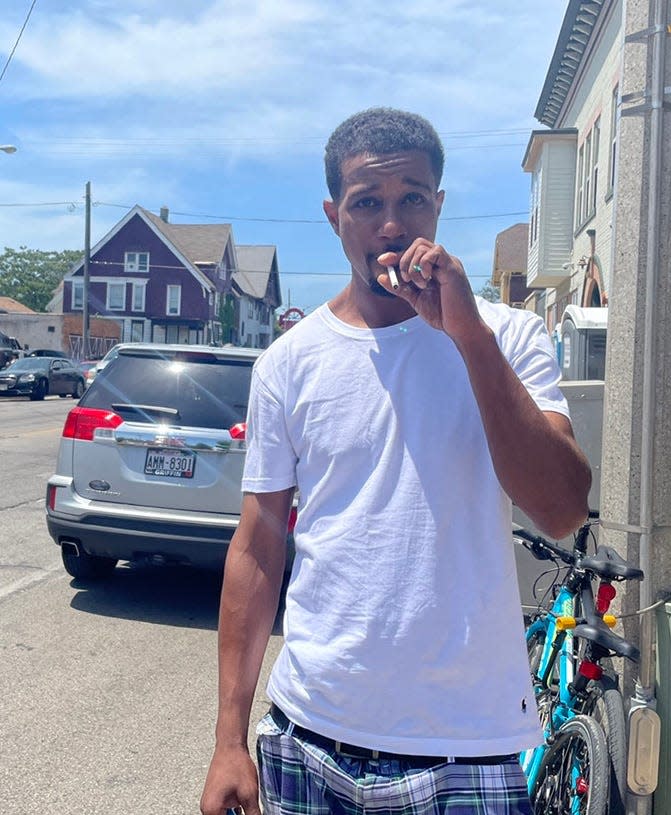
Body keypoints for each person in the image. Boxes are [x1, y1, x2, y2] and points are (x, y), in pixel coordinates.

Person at [200, 107, 591, 815]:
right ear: (332, 214)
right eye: (366, 203)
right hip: (308, 735)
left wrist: (465, 333)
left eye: (411, 197)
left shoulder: (509, 333)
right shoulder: (289, 361)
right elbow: (257, 547)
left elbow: (561, 508)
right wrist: (229, 738)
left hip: (466, 747)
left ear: (438, 205)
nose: (390, 224)